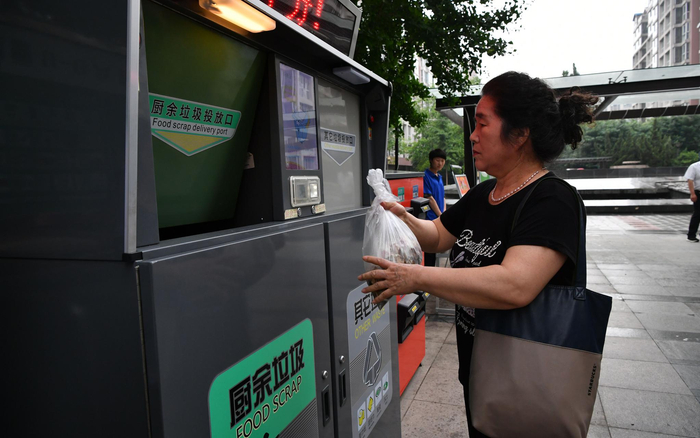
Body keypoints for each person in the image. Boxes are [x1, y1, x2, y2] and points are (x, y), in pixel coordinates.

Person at [358, 71, 598, 437]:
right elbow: (437, 237)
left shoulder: (553, 200)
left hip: (529, 379)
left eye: (483, 123)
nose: (473, 134)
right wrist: (401, 215)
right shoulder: (484, 194)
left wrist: (414, 277)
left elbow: (515, 285)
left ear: (520, 134)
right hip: (481, 369)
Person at [423, 148, 446, 266]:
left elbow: (443, 197)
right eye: (437, 160)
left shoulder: (439, 177)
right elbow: (429, 198)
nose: (440, 163)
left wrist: (444, 213)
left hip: (439, 217)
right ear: (431, 160)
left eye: (442, 161)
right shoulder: (426, 176)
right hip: (430, 218)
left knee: (436, 247)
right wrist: (441, 215)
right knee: (429, 249)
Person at [684, 152, 700, 242]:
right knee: (697, 214)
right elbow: (690, 180)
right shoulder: (694, 166)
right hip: (698, 193)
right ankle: (691, 235)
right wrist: (692, 193)